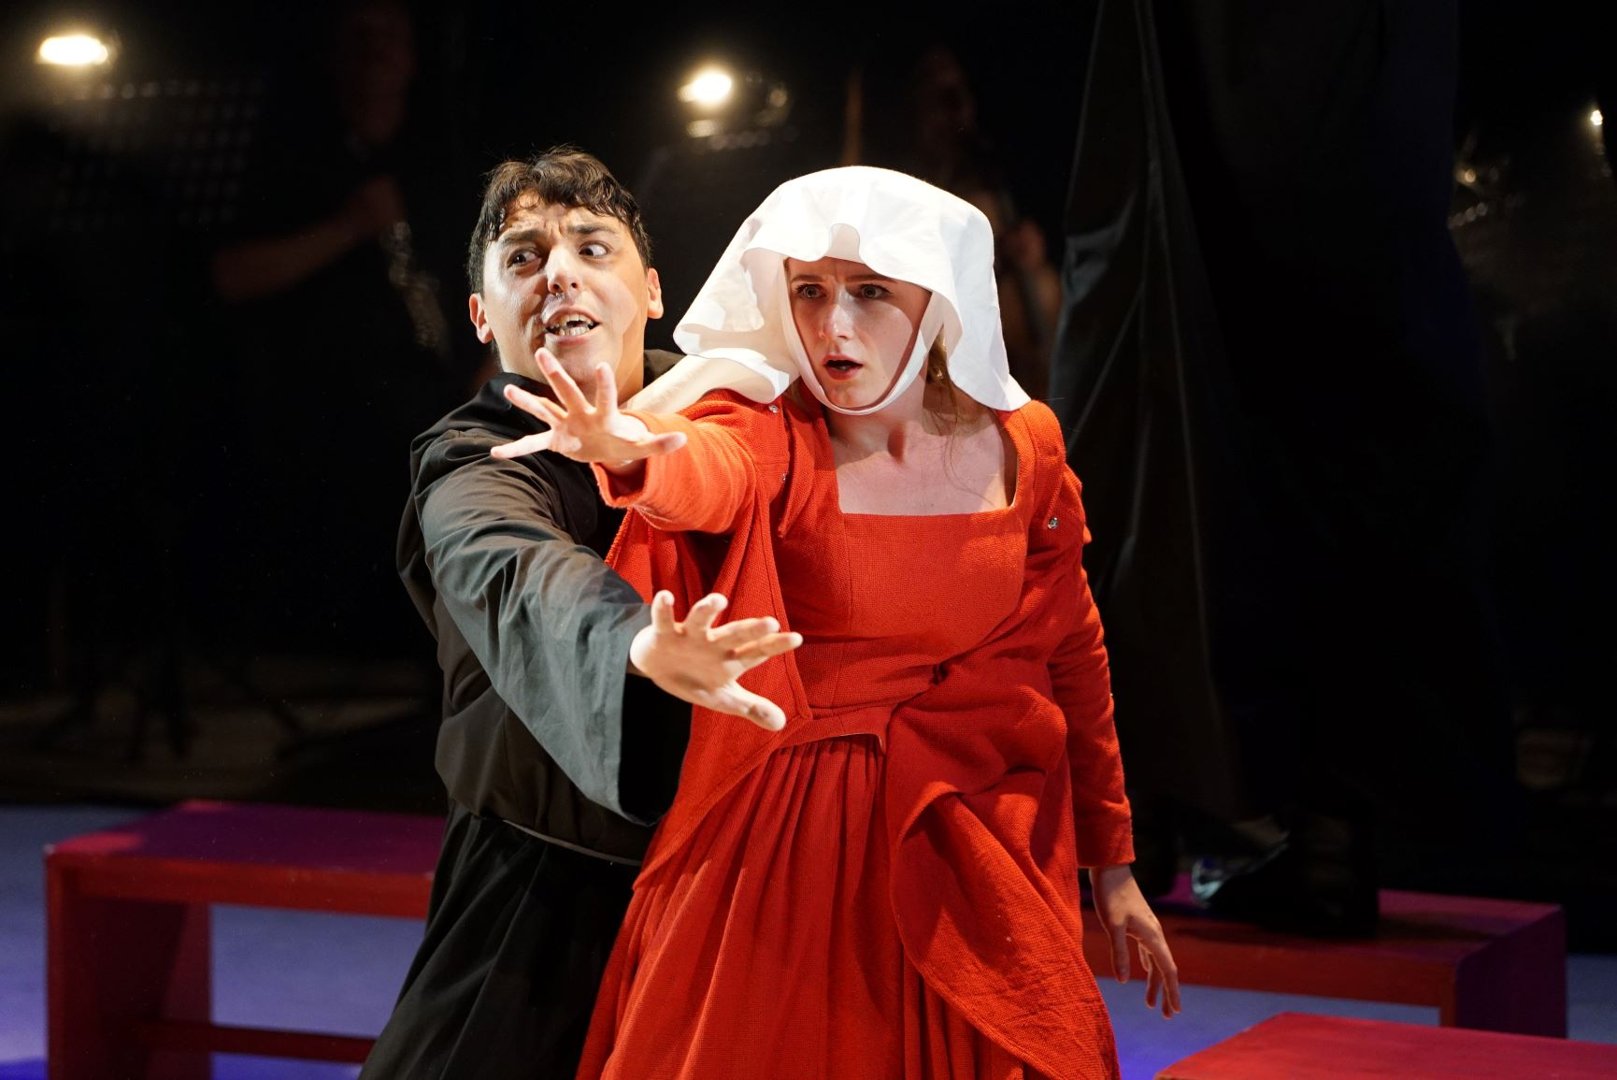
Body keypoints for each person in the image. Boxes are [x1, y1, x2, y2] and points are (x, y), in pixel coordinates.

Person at [495, 166, 1178, 1080]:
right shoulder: (772, 429)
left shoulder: (1026, 448)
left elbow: (1072, 657)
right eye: (809, 291)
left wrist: (1113, 866)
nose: (832, 325)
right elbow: (706, 468)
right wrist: (632, 452)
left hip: (972, 832)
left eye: (869, 292)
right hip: (788, 848)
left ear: (937, 302)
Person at [359, 148, 802, 1079]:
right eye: (523, 257)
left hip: (742, 885)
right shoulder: (473, 463)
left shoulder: (740, 424)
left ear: (652, 291)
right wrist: (636, 644)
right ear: (481, 316)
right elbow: (517, 572)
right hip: (537, 898)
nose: (558, 272)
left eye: (592, 248)